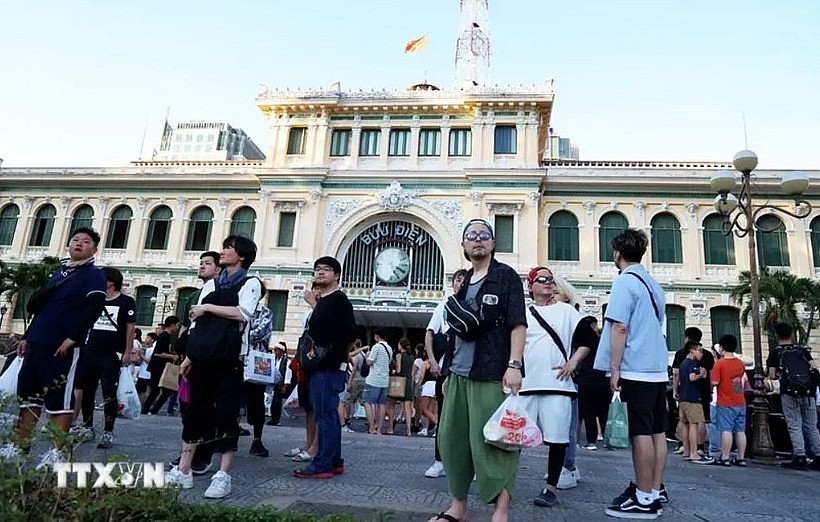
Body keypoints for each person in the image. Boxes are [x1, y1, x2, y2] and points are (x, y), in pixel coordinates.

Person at [430, 218, 526, 522]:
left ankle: (501, 509)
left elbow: (517, 324)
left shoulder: (506, 277)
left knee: (495, 441)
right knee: (452, 440)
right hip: (458, 373)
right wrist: (447, 372)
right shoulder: (463, 282)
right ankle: (458, 506)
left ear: (493, 243)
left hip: (491, 372)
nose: (478, 240)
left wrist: (514, 365)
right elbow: (455, 332)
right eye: (471, 236)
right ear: (463, 245)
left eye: (484, 235)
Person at [165, 235, 262, 498]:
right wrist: (189, 356)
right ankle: (184, 468)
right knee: (195, 412)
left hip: (230, 358)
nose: (223, 251)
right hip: (203, 357)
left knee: (227, 415)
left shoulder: (251, 282)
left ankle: (223, 474)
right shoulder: (212, 283)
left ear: (240, 255)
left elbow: (244, 313)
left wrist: (208, 307)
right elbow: (196, 322)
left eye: (228, 248)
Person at [8, 227, 107, 467]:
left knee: (58, 399)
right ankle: (20, 446)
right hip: (37, 342)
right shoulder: (58, 273)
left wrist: (73, 338)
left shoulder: (93, 275)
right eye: (75, 240)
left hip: (62, 346)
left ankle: (57, 452)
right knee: (29, 397)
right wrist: (27, 337)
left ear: (94, 249)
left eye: (85, 241)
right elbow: (41, 309)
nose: (79, 244)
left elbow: (94, 308)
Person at [594, 229, 669, 520]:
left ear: (617, 253)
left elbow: (619, 327)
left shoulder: (625, 283)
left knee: (640, 433)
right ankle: (654, 487)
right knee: (657, 432)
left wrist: (614, 368)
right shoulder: (653, 284)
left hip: (635, 367)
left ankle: (644, 497)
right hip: (656, 367)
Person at [520, 266, 593, 508]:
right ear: (531, 286)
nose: (548, 283)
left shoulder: (566, 312)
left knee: (558, 439)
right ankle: (505, 483)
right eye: (541, 280)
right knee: (514, 437)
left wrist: (573, 361)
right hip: (526, 384)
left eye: (550, 280)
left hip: (559, 385)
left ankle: (550, 488)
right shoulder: (522, 313)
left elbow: (589, 338)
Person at [292, 255, 356, 479]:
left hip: (327, 365)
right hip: (323, 365)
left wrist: (313, 304)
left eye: (326, 269)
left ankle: (322, 464)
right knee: (327, 413)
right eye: (317, 269)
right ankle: (334, 460)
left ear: (336, 275)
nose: (320, 272)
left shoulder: (337, 300)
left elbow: (329, 329)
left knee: (324, 414)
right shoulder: (327, 301)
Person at [73, 266, 136, 449]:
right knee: (87, 390)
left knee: (109, 392)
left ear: (110, 282)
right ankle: (88, 426)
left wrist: (127, 351)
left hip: (111, 354)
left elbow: (130, 327)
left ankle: (108, 431)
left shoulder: (126, 302)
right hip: (89, 350)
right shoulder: (94, 300)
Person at [423, 269, 467, 478]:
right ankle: (440, 460)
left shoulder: (476, 306)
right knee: (445, 417)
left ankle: (470, 463)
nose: (462, 283)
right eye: (458, 279)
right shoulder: (445, 306)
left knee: (470, 418)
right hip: (446, 369)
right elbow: (430, 333)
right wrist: (432, 360)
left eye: (465, 279)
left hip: (469, 370)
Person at [767, 322, 820, 470]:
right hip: (808, 392)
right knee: (811, 425)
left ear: (776, 335)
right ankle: (818, 455)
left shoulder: (776, 352)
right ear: (791, 334)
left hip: (789, 392)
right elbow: (813, 367)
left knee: (794, 424)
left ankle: (800, 456)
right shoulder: (802, 350)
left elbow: (772, 374)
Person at [672, 327, 714, 456]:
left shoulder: (680, 353)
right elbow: (711, 374)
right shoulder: (707, 354)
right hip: (700, 392)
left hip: (684, 391)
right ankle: (699, 447)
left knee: (683, 420)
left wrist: (675, 389)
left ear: (687, 337)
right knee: (700, 420)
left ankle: (683, 445)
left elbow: (675, 373)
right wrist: (711, 389)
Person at [710, 334, 747, 466]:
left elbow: (714, 381)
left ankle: (725, 457)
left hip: (725, 401)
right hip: (740, 400)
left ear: (721, 348)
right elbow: (738, 382)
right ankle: (741, 457)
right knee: (740, 430)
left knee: (726, 429)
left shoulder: (720, 364)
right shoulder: (739, 363)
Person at [576, 316, 610, 451]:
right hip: (601, 378)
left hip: (585, 379)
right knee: (603, 411)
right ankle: (608, 438)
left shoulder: (580, 342)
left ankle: (591, 441)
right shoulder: (601, 342)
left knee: (588, 411)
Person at [142, 315, 180, 415]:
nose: (177, 327)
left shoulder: (167, 336)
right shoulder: (164, 336)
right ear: (172, 325)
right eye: (177, 325)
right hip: (157, 367)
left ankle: (152, 409)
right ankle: (147, 409)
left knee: (163, 391)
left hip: (160, 367)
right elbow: (157, 353)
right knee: (156, 390)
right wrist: (172, 357)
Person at [364, 328, 393, 436]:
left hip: (373, 379)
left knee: (367, 402)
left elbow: (369, 362)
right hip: (385, 380)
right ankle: (379, 429)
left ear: (377, 336)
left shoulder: (376, 347)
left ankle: (372, 427)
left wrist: (367, 356)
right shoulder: (389, 348)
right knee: (381, 404)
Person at [391, 338, 415, 436]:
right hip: (409, 382)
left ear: (400, 345)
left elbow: (399, 370)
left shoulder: (399, 355)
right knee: (408, 408)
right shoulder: (411, 357)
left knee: (391, 403)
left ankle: (392, 424)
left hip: (401, 382)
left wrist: (394, 371)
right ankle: (408, 430)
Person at [267, 341, 290, 426]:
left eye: (276, 350)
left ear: (281, 351)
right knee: (273, 402)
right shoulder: (274, 360)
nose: (275, 352)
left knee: (277, 402)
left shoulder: (286, 361)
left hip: (280, 384)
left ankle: (277, 419)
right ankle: (273, 418)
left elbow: (288, 373)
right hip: (274, 383)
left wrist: (285, 386)